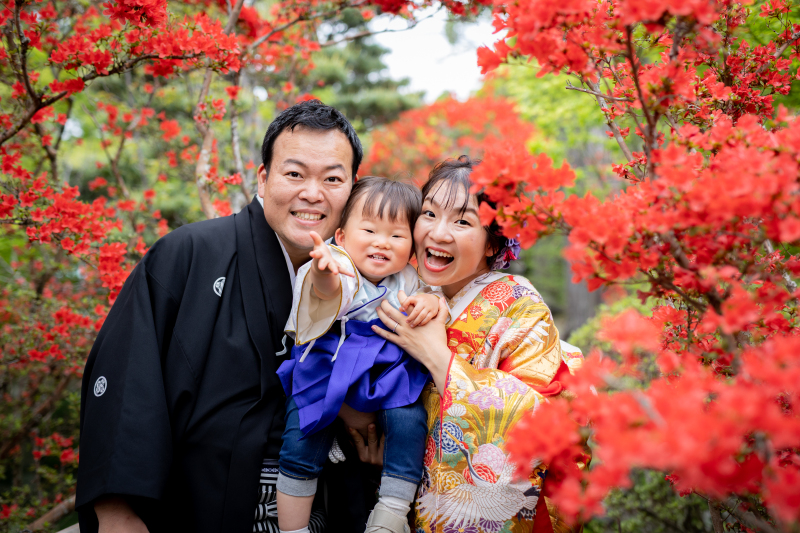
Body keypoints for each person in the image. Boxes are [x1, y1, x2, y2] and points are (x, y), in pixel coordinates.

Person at [76, 100, 374, 533]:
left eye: (332, 178)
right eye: (294, 174)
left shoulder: (365, 280)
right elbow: (125, 381)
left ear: (352, 187)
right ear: (264, 177)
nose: (313, 193)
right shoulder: (189, 253)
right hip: (194, 506)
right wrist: (117, 512)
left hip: (314, 508)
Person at [371, 156, 590, 533]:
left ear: (492, 244)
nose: (438, 234)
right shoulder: (406, 291)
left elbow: (539, 424)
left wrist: (439, 359)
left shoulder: (520, 307)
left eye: (462, 221)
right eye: (429, 214)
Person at [275, 177, 440, 533]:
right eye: (369, 230)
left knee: (409, 421)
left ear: (411, 246)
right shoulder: (336, 263)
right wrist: (324, 275)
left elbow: (433, 298)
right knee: (301, 438)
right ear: (342, 237)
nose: (382, 242)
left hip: (384, 370)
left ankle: (390, 513)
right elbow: (332, 289)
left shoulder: (408, 279)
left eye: (397, 235)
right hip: (328, 362)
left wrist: (430, 301)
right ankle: (292, 529)